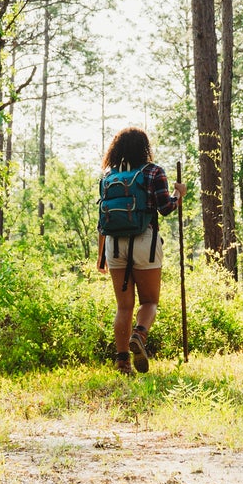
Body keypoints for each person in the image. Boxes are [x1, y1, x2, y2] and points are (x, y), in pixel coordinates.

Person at [96, 127, 182, 376]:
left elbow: (102, 222)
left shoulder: (108, 177)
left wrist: (100, 257)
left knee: (123, 307)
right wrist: (179, 193)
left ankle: (122, 363)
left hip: (114, 244)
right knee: (149, 301)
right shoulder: (153, 171)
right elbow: (166, 208)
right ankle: (139, 334)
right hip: (145, 240)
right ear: (144, 148)